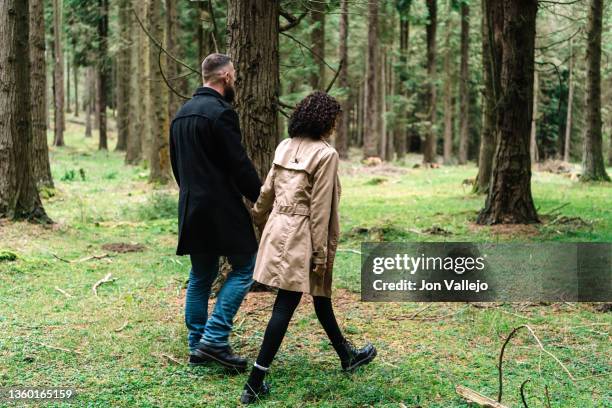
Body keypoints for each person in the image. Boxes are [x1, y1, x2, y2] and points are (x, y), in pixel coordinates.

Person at [240, 92, 377, 404]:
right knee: (286, 305)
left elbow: (266, 191)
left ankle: (347, 356)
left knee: (320, 294)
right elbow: (320, 209)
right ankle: (254, 381)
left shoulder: (284, 146)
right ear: (324, 120)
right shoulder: (326, 155)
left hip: (278, 228)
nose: (335, 125)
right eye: (334, 120)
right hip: (303, 235)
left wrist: (260, 219)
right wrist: (320, 252)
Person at [169, 53, 262, 371]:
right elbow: (238, 163)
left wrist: (191, 195)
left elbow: (176, 166)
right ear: (224, 76)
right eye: (233, 74)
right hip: (221, 207)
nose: (235, 78)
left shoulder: (181, 114)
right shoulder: (221, 112)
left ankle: (197, 346)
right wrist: (260, 197)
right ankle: (214, 339)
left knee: (200, 275)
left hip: (191, 207)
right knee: (246, 267)